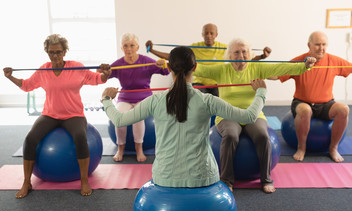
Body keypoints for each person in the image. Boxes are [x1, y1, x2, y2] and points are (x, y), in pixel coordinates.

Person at [101, 46, 267, 189]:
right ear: (194, 68)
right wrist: (261, 92)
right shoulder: (207, 100)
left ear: (169, 68)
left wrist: (106, 100)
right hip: (202, 177)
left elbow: (119, 120)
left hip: (164, 176)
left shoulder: (155, 100)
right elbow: (250, 116)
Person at [193, 38, 317, 193]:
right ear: (229, 54)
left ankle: (266, 179)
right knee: (230, 136)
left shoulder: (256, 67)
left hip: (253, 113)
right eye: (237, 52)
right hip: (227, 114)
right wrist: (173, 63)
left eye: (244, 51)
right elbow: (199, 69)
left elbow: (281, 68)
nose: (241, 55)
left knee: (263, 136)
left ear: (250, 53)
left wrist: (304, 66)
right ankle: (226, 180)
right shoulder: (221, 70)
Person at [3, 34, 112, 198]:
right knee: (30, 139)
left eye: (58, 52)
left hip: (74, 114)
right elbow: (26, 85)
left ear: (65, 51)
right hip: (50, 114)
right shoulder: (43, 70)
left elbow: (97, 79)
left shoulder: (76, 67)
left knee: (80, 137)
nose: (55, 56)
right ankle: (26, 182)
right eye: (51, 52)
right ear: (47, 52)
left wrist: (106, 73)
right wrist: (10, 76)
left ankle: (84, 180)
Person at [277, 31, 352, 162]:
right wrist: (259, 72)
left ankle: (333, 148)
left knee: (344, 109)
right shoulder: (299, 61)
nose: (321, 48)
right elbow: (278, 74)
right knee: (305, 110)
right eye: (317, 44)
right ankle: (301, 148)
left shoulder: (333, 60)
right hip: (302, 102)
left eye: (324, 44)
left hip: (326, 104)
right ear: (309, 45)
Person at [145, 23, 272, 96]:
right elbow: (173, 56)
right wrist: (152, 50)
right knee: (196, 99)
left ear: (216, 34)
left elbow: (244, 59)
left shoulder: (224, 48)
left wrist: (262, 56)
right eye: (206, 33)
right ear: (202, 34)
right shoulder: (195, 47)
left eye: (211, 33)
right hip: (200, 84)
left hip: (218, 83)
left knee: (224, 100)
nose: (209, 36)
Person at [107, 33, 169, 163]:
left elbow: (165, 72)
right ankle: (121, 149)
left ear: (137, 47)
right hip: (125, 97)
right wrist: (102, 71)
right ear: (121, 48)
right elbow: (104, 76)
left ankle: (139, 149)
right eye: (125, 46)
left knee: (138, 118)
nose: (129, 48)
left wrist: (163, 64)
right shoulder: (118, 64)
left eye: (132, 45)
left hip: (144, 97)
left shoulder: (146, 61)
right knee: (119, 118)